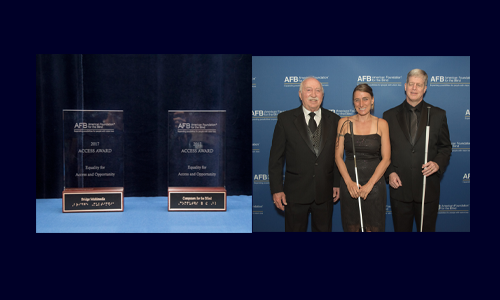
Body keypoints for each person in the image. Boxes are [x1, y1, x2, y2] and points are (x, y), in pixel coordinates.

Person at [383, 69, 452, 232]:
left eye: (419, 85)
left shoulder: (437, 114)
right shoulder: (389, 116)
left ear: (425, 88)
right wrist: (390, 172)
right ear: (405, 86)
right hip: (400, 190)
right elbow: (383, 150)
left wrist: (437, 163)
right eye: (411, 84)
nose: (414, 88)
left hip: (428, 189)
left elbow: (445, 147)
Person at [268, 77, 341, 232]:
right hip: (294, 194)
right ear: (300, 94)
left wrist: (336, 183)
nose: (313, 94)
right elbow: (276, 159)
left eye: (318, 90)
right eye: (308, 90)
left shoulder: (335, 120)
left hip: (325, 193)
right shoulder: (285, 119)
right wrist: (277, 189)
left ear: (323, 95)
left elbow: (336, 156)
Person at [335, 84, 391, 232]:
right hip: (350, 185)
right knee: (351, 227)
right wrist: (349, 183)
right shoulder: (344, 123)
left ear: (372, 100)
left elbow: (386, 159)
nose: (361, 104)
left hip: (374, 185)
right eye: (357, 100)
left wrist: (369, 185)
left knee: (374, 228)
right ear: (353, 102)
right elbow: (338, 156)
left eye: (365, 99)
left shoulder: (382, 124)